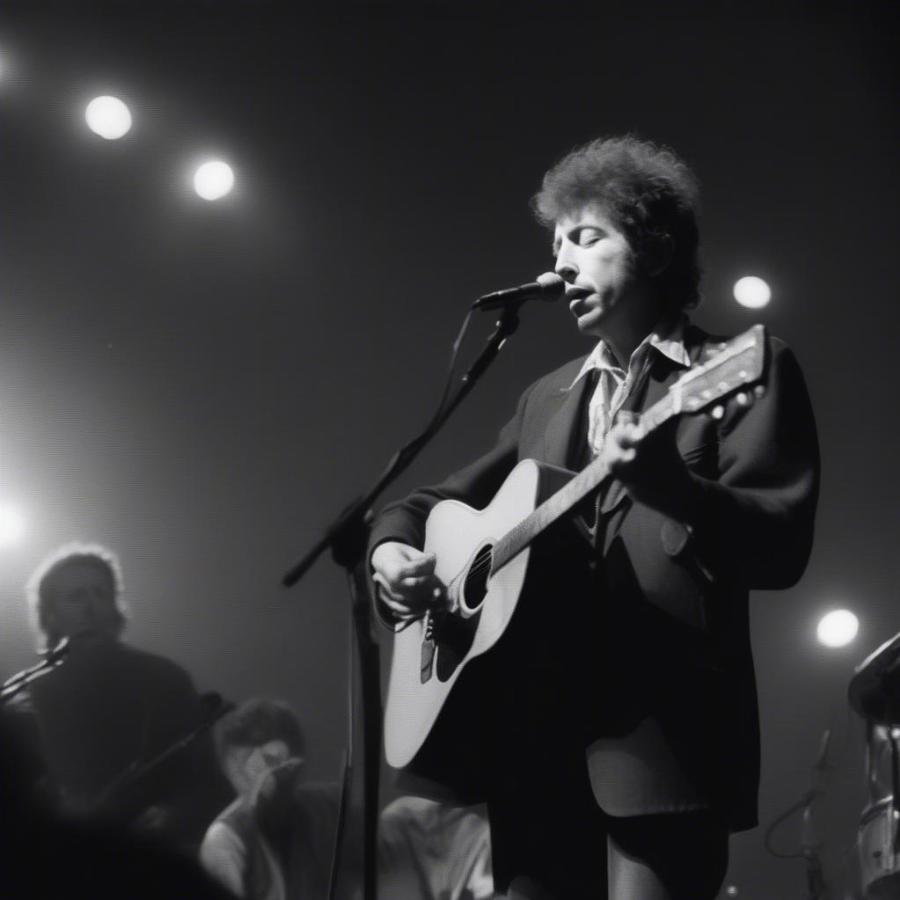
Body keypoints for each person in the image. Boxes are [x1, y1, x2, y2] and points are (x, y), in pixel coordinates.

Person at [368, 136, 820, 899]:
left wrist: (674, 489)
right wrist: (390, 555)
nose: (560, 266)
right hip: (533, 747)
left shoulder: (744, 366)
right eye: (554, 246)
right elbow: (423, 505)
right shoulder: (547, 396)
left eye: (585, 238)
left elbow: (779, 545)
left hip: (662, 741)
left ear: (654, 248)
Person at [9, 542, 229, 851]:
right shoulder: (29, 695)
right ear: (51, 614)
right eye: (76, 596)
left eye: (101, 593)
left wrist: (173, 815)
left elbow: (210, 782)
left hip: (149, 861)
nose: (92, 607)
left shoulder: (163, 678)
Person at [200, 698, 341, 900]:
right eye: (237, 764)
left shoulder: (325, 804)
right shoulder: (224, 840)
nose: (251, 773)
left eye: (271, 760)